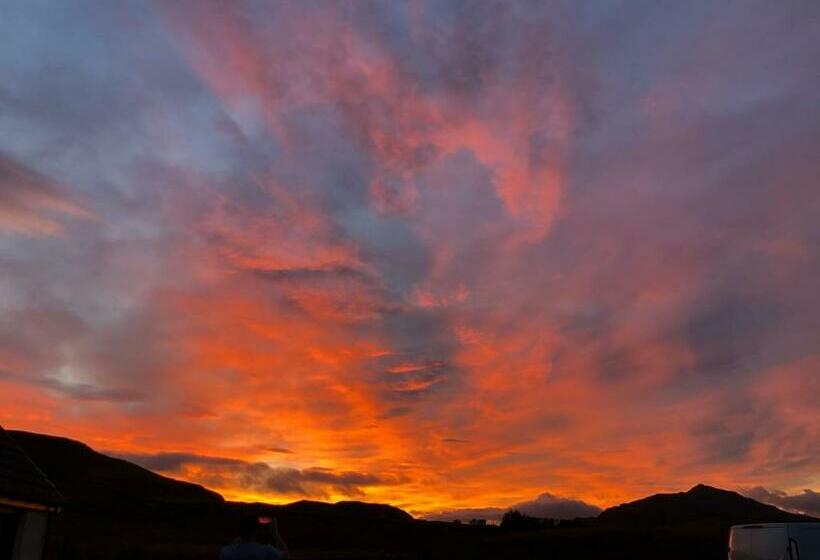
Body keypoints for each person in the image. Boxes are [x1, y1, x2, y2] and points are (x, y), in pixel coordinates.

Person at [220, 515, 289, 560]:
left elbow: (236, 543)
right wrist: (275, 532)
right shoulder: (267, 551)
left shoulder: (226, 552)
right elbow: (285, 556)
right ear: (256, 531)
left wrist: (242, 533)